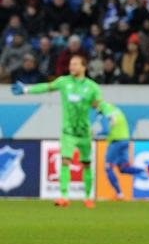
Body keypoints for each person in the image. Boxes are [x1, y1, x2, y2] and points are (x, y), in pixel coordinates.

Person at [11, 55, 102, 208]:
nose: (71, 67)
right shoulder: (64, 82)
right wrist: (26, 89)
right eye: (71, 64)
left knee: (86, 164)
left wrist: (107, 116)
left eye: (75, 64)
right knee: (65, 161)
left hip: (84, 132)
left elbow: (98, 105)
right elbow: (46, 87)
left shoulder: (92, 87)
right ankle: (64, 196)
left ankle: (87, 197)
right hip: (68, 132)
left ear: (83, 67)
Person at [95, 101, 149, 200]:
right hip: (125, 141)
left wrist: (94, 133)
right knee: (123, 168)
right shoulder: (117, 111)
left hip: (116, 141)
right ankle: (145, 170)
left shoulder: (105, 112)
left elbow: (106, 130)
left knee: (108, 167)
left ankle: (119, 194)